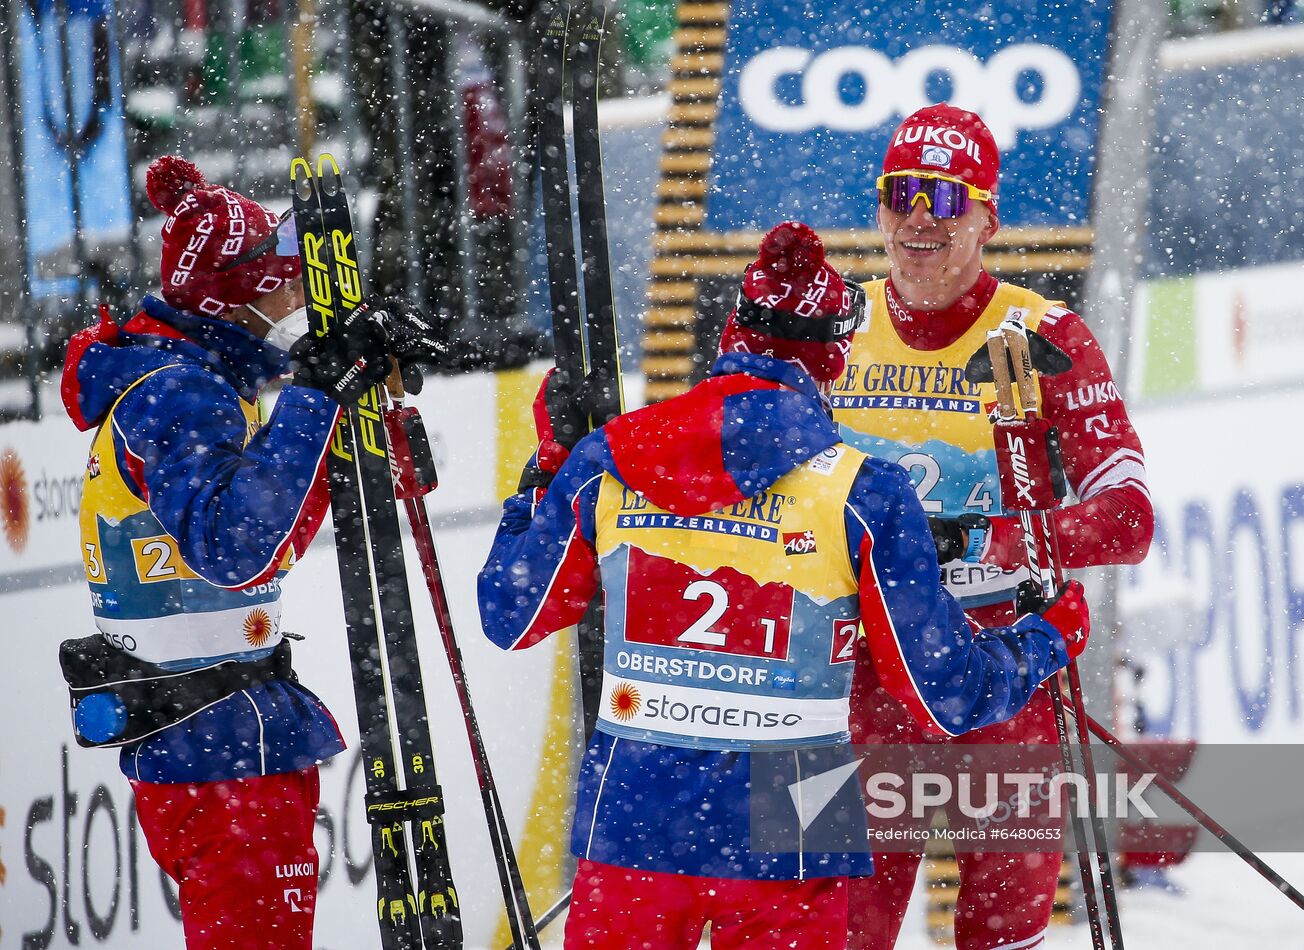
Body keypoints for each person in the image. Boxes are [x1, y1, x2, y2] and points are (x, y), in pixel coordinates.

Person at [477, 221, 1093, 949]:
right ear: (834, 361)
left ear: (729, 334)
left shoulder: (607, 459)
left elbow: (510, 617)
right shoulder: (866, 494)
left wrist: (545, 476)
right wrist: (1046, 637)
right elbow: (945, 695)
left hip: (636, 817)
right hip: (796, 821)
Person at [58, 156, 417, 950]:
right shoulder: (176, 394)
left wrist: (354, 410)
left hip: (230, 738)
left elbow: (278, 530)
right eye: (286, 286)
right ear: (241, 298)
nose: (299, 302)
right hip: (217, 752)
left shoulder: (207, 384)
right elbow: (234, 546)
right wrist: (316, 397)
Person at [832, 104, 1155, 950]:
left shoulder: (1042, 335)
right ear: (877, 209)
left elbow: (1127, 518)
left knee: (1003, 938)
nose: (919, 218)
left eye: (945, 197)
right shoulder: (833, 331)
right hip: (858, 679)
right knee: (839, 936)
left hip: (1003, 673)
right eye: (901, 193)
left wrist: (1003, 542)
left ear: (987, 218)